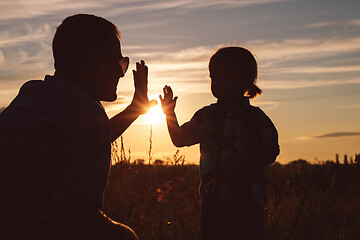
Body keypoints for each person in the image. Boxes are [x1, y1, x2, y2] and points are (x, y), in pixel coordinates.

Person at [0, 14, 156, 240]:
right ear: (98, 61)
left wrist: (135, 109)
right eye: (120, 63)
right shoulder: (85, 111)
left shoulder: (32, 94)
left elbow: (75, 141)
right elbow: (79, 219)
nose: (121, 73)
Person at [160, 46, 280, 240]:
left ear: (245, 80)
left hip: (247, 207)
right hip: (213, 206)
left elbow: (271, 151)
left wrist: (246, 158)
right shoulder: (206, 116)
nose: (216, 83)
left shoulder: (256, 119)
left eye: (223, 76)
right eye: (212, 77)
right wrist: (169, 114)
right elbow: (180, 139)